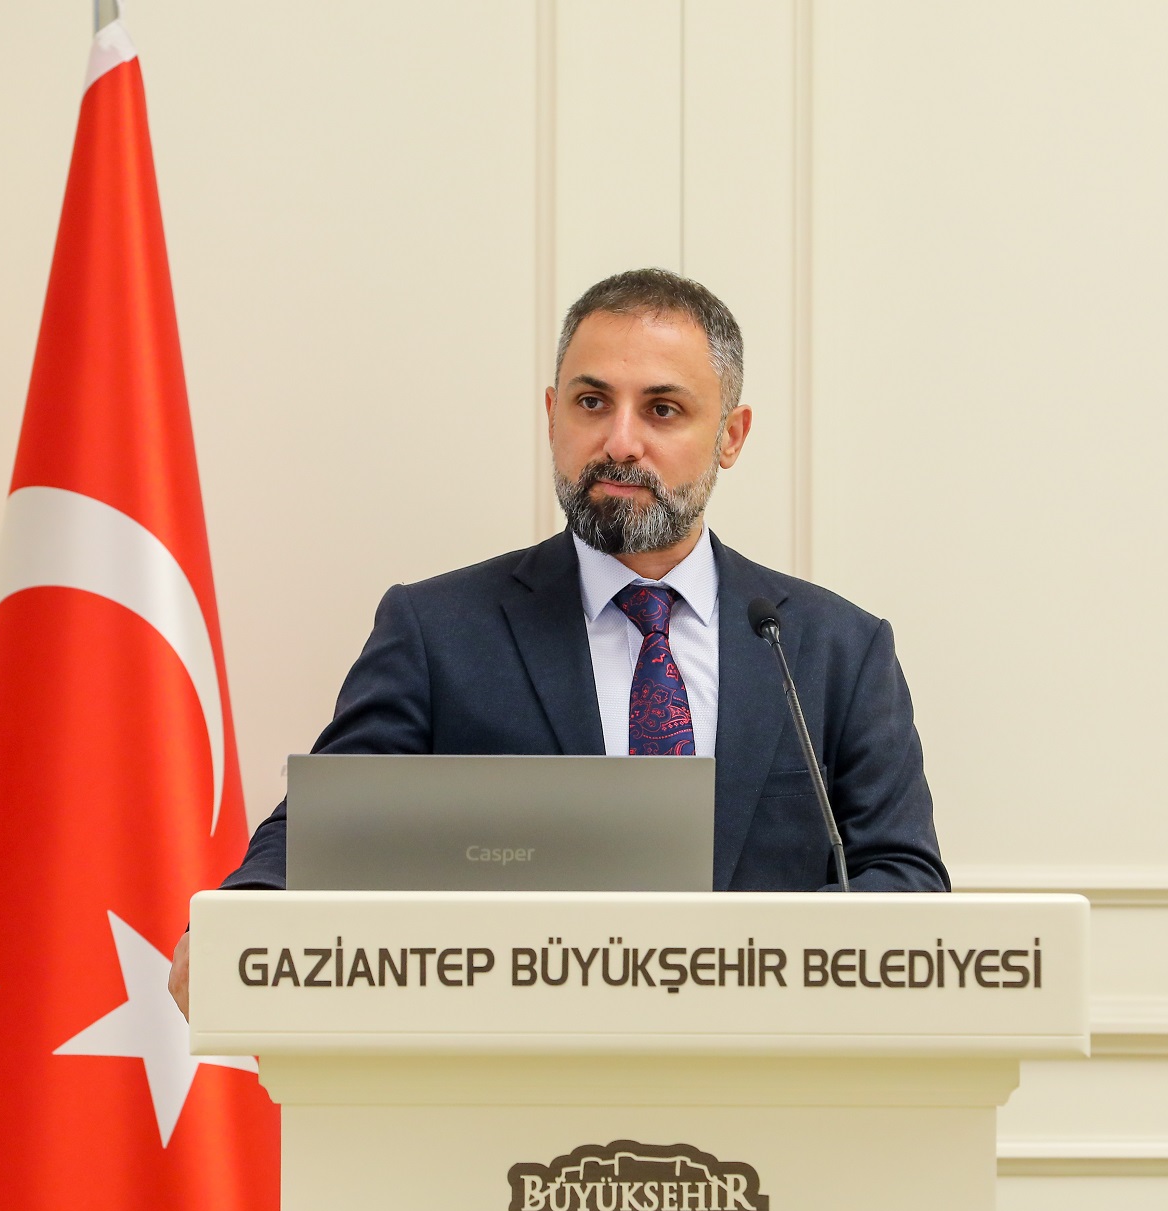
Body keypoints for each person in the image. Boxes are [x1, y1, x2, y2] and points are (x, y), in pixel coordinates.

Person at [170, 269, 946, 1013]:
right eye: (591, 402)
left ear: (731, 435)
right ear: (552, 414)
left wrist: (738, 969)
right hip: (506, 1074)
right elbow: (331, 826)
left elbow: (905, 880)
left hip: (767, 1075)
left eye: (663, 409)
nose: (620, 441)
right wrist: (241, 919)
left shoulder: (835, 649)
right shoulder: (438, 631)